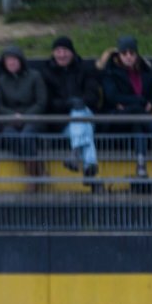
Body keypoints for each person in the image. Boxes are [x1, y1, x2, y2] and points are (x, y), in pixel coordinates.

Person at [40, 35, 102, 189]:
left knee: (80, 113)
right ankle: (90, 165)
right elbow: (48, 102)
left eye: (65, 50)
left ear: (72, 52)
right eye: (58, 51)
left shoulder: (85, 70)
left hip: (86, 117)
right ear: (53, 53)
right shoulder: (46, 72)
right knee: (82, 124)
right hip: (61, 124)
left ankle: (75, 152)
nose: (62, 54)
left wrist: (81, 102)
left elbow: (93, 95)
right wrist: (68, 104)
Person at [98, 35, 152, 179]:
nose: (129, 57)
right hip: (116, 124)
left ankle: (141, 166)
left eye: (132, 53)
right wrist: (141, 101)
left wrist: (151, 103)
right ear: (119, 55)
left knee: (137, 120)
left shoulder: (144, 72)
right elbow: (113, 97)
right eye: (125, 53)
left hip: (138, 124)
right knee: (137, 110)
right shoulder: (110, 72)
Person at [0, 44, 47, 189]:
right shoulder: (2, 80)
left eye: (14, 60)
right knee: (10, 135)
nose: (11, 63)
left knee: (26, 135)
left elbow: (41, 102)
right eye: (8, 60)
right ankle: (38, 171)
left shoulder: (35, 76)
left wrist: (24, 116)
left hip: (33, 118)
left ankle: (32, 177)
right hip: (11, 120)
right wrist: (13, 116)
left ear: (21, 61)